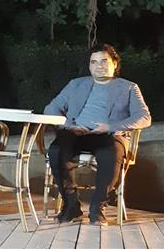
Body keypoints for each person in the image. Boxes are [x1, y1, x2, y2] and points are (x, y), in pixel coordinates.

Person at [45, 43, 151, 226]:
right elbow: (51, 108)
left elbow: (144, 117)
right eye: (93, 62)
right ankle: (71, 205)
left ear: (115, 64)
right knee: (56, 150)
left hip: (108, 134)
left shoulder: (128, 87)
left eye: (104, 61)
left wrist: (111, 126)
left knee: (111, 154)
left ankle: (97, 207)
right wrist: (69, 126)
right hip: (76, 132)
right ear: (89, 65)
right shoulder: (76, 84)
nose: (98, 66)